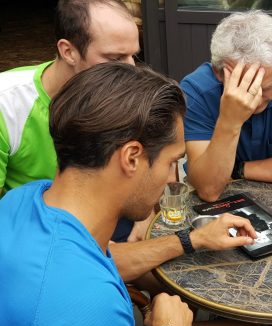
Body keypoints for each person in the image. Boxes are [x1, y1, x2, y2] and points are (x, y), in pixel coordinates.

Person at [0, 62, 263, 326]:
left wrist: (192, 239)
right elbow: (81, 296)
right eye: (171, 162)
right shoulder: (91, 308)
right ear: (132, 157)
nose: (171, 178)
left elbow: (96, 260)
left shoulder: (23, 200)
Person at [0, 0, 221, 291]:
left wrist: (147, 211)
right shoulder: (7, 105)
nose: (131, 69)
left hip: (113, 221)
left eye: (134, 56)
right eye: (115, 58)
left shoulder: (122, 96)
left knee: (197, 280)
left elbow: (156, 163)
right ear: (68, 51)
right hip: (49, 246)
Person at [181, 10, 272, 201]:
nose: (256, 99)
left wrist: (238, 169)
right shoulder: (197, 90)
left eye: (267, 88)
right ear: (218, 73)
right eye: (245, 87)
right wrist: (230, 120)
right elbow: (209, 190)